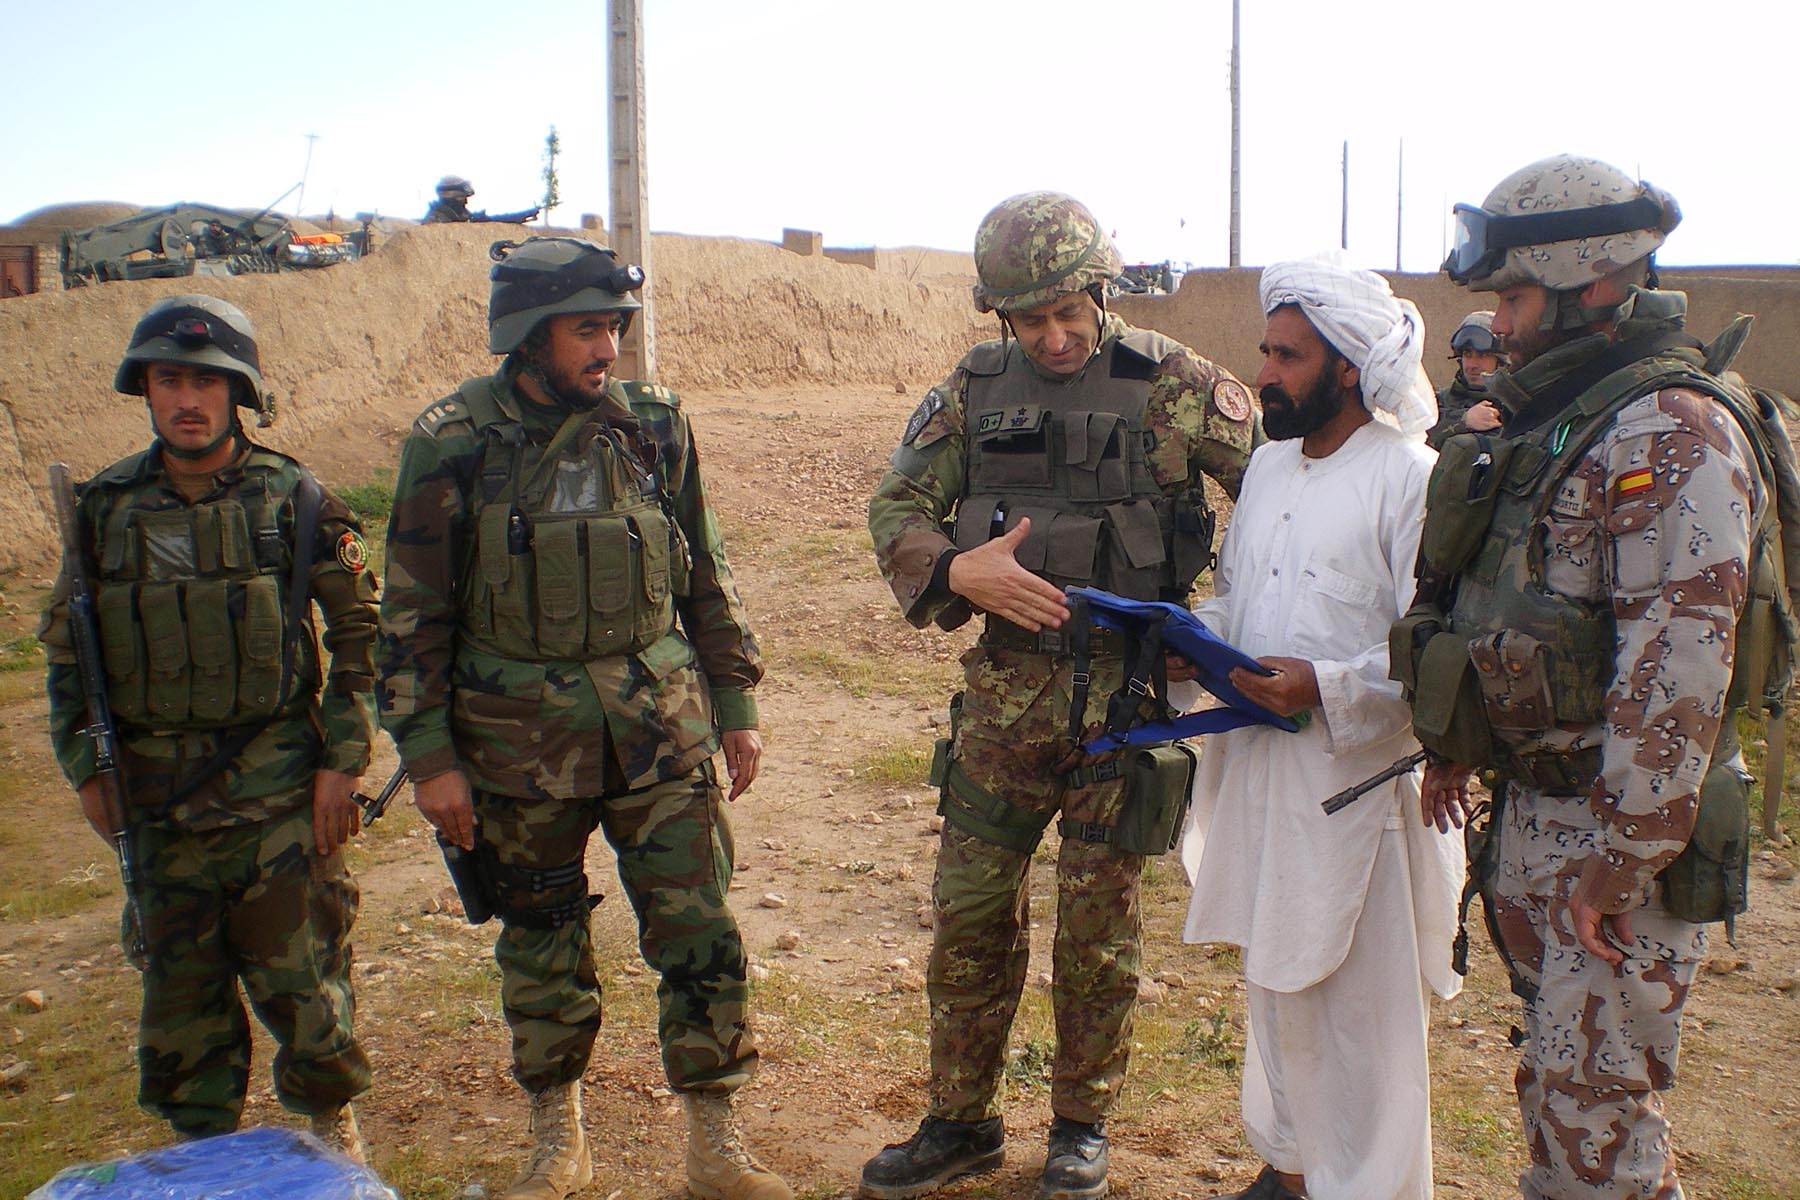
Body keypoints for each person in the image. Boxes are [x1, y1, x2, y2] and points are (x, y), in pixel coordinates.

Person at [862, 191, 1259, 1200]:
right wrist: (955, 571)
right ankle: (960, 1122)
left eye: (1065, 313)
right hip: (1004, 701)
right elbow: (898, 503)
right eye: (1026, 319)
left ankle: (1081, 1126)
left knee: (1098, 930)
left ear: (1099, 290)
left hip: (1124, 706)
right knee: (970, 917)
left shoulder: (1176, 384)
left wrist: (1219, 627)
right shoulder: (977, 386)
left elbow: (1285, 500)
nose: (1049, 336)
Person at [377, 236, 789, 1200]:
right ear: (526, 336)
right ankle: (556, 1139)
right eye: (585, 328)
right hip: (517, 750)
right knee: (540, 944)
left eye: (613, 325)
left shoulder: (654, 427)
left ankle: (715, 1144)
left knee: (700, 933)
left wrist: (736, 703)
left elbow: (704, 575)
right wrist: (430, 758)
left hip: (661, 734)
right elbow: (412, 617)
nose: (606, 347)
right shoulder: (454, 441)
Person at [1415, 155, 1778, 1198]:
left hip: (1623, 843)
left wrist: (1622, 859)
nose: (1505, 327)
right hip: (1546, 815)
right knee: (1565, 1099)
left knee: (1595, 1132)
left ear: (1597, 286)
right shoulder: (1573, 422)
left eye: (1518, 299)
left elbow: (1679, 673)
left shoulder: (1671, 431)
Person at [40, 294, 378, 1160]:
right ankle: (202, 1165)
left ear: (239, 394)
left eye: (205, 382)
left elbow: (364, 637)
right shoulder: (103, 511)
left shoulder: (295, 499)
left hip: (279, 805)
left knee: (306, 993)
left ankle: (335, 1152)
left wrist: (343, 760)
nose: (186, 399)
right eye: (167, 380)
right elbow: (68, 658)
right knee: (181, 1014)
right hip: (159, 811)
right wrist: (87, 769)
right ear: (145, 390)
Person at [1180, 259, 1463, 1200]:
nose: (1265, 371)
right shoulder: (1265, 468)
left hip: (1360, 796)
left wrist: (1325, 687)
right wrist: (1190, 644)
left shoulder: (1411, 478)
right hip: (1261, 777)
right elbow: (1240, 601)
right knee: (1277, 986)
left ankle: (1372, 1186)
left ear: (1346, 365)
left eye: (1287, 355)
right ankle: (1295, 1167)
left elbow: (1431, 651)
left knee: (1360, 1018)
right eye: (1265, 349)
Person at [1423, 311, 1507, 449]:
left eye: (1483, 355)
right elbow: (1413, 441)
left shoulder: (1516, 407)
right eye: (1468, 354)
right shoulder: (1435, 404)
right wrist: (1463, 420)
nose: (1472, 364)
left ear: (1500, 361)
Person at [423, 175, 540, 225]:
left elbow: (493, 220)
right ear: (450, 198)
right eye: (461, 198)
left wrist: (523, 215)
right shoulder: (436, 219)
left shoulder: (461, 215)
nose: (465, 202)